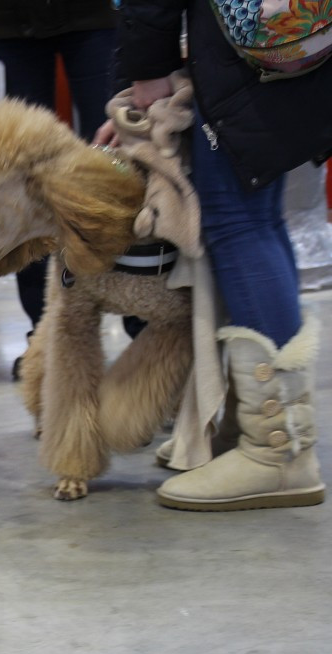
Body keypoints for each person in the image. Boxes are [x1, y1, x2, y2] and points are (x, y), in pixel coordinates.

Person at [97, 0, 332, 510]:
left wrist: (148, 68)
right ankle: (268, 427)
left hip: (241, 49)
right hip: (276, 41)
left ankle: (278, 452)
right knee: (260, 218)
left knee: (238, 222)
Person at [0, 1, 137, 379]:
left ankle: (142, 322)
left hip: (95, 17)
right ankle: (44, 333)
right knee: (14, 186)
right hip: (10, 23)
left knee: (114, 166)